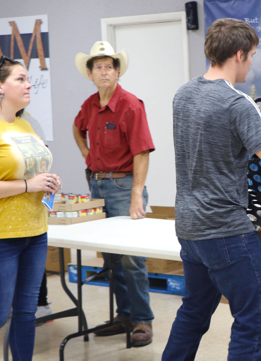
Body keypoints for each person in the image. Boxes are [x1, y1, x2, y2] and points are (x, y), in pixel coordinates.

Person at [163, 18, 261, 361]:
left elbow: (214, 145)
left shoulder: (184, 94)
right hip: (226, 231)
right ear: (238, 54)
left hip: (189, 228)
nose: (251, 63)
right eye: (251, 56)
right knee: (251, 323)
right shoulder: (237, 103)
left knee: (192, 313)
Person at [0, 56, 61, 360]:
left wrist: (49, 181)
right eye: (20, 79)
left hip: (34, 230)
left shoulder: (25, 125)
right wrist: (29, 185)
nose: (28, 84)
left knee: (26, 312)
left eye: (27, 78)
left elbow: (28, 171)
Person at [73, 41, 155, 347]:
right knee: (111, 258)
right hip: (96, 186)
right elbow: (77, 127)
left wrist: (137, 193)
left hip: (124, 186)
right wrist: (85, 152)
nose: (104, 71)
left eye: (109, 66)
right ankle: (124, 315)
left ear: (117, 72)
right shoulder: (89, 105)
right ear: (91, 74)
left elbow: (143, 153)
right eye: (98, 67)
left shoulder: (131, 105)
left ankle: (143, 320)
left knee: (132, 258)